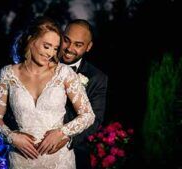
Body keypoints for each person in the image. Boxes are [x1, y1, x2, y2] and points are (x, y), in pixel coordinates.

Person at [0, 16, 95, 169]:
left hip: (59, 160)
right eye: (46, 46)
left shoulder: (64, 73)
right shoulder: (7, 74)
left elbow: (88, 115)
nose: (51, 53)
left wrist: (61, 133)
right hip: (21, 159)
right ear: (31, 40)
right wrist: (12, 137)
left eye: (55, 48)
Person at [43, 19, 108, 169]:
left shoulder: (97, 77)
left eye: (78, 45)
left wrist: (67, 138)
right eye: (66, 40)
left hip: (72, 151)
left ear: (88, 47)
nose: (69, 48)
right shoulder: (41, 64)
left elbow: (96, 119)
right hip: (32, 148)